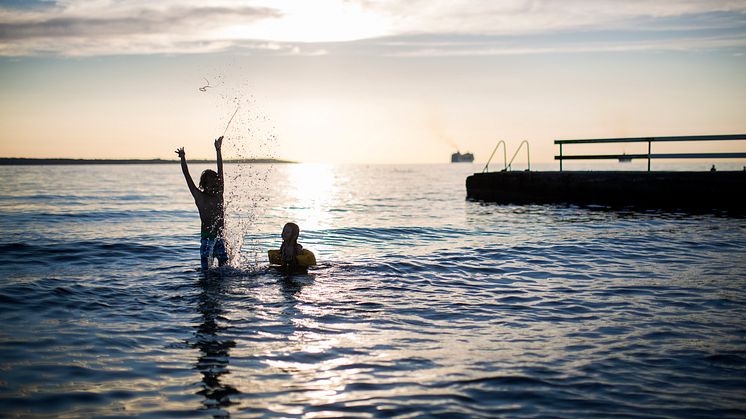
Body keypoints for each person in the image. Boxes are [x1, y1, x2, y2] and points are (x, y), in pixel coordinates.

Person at [175, 136, 228, 270]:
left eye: (215, 183)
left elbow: (220, 169)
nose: (214, 186)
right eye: (210, 183)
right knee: (206, 271)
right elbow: (187, 176)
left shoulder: (219, 194)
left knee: (225, 268)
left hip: (220, 237)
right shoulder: (199, 196)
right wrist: (183, 158)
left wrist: (218, 150)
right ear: (204, 185)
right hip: (206, 239)